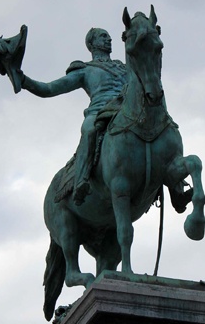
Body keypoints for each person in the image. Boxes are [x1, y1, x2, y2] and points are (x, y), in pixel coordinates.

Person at [19, 28, 127, 205]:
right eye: (103, 36)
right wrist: (23, 80)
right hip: (99, 113)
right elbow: (49, 89)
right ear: (92, 44)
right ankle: (81, 180)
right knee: (90, 129)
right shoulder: (85, 70)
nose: (109, 39)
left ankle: (175, 185)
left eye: (109, 36)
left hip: (125, 110)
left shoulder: (124, 67)